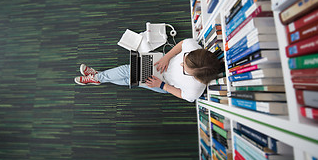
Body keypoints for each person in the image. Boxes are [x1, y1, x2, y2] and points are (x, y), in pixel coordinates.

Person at [74, 38, 220, 102]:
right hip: (161, 63)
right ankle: (98, 78)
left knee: (129, 78)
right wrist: (167, 57)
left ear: (196, 77)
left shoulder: (195, 89)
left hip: (162, 83)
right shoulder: (194, 49)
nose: (181, 64)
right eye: (184, 59)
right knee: (128, 72)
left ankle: (97, 77)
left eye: (185, 69)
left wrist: (161, 85)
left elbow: (181, 94)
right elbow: (182, 44)